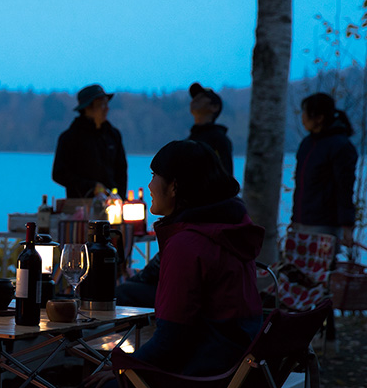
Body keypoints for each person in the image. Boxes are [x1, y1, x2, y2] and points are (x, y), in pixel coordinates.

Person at [20, 139, 264, 388]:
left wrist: (122, 368)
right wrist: (124, 367)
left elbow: (172, 341)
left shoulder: (189, 244)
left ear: (177, 187)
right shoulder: (226, 230)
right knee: (116, 385)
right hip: (240, 383)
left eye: (155, 176)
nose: (149, 185)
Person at [116, 83, 235, 307]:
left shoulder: (217, 142)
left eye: (202, 97)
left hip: (194, 302)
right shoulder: (194, 138)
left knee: (124, 293)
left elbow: (223, 180)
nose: (195, 99)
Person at [292, 92, 358, 249]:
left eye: (305, 113)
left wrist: (346, 226)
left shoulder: (340, 146)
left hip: (324, 224)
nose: (302, 118)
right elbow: (301, 185)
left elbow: (344, 188)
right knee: (297, 271)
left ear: (319, 118)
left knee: (322, 270)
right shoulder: (307, 144)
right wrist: (295, 218)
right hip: (302, 221)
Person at [51, 84, 129, 199]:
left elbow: (121, 171)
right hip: (79, 207)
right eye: (102, 105)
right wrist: (91, 186)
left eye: (107, 104)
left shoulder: (113, 135)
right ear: (87, 108)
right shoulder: (70, 137)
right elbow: (59, 173)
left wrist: (120, 198)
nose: (107, 108)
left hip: (113, 204)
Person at [187, 82, 233, 177]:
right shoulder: (190, 140)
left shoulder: (218, 139)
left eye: (202, 97)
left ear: (214, 107)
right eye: (194, 98)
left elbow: (227, 175)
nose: (195, 100)